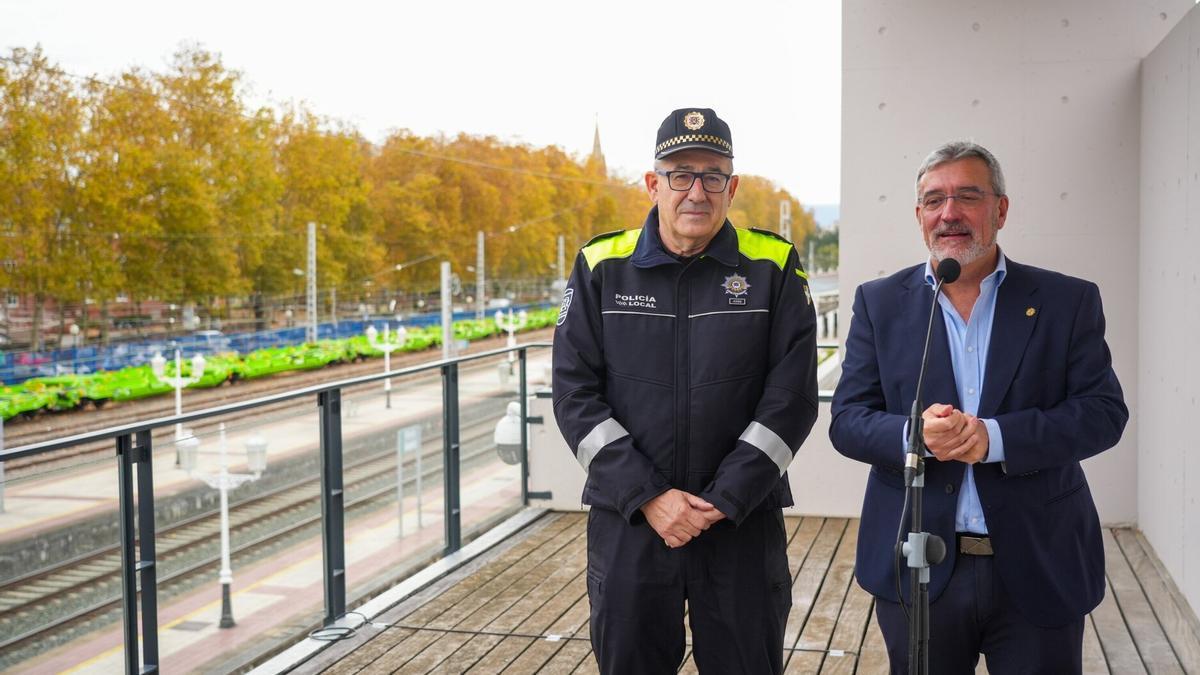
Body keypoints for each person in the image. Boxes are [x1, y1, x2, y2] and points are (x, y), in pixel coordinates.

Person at [829, 141, 1128, 673]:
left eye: (967, 196)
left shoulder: (1067, 300)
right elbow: (849, 420)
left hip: (1040, 564)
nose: (950, 213)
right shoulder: (879, 303)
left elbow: (1103, 413)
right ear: (919, 215)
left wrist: (995, 437)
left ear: (1001, 210)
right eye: (934, 199)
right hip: (917, 566)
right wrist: (913, 436)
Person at [552, 108, 819, 674]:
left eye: (712, 175)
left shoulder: (773, 264)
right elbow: (575, 396)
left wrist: (723, 499)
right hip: (632, 524)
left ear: (732, 186)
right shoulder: (602, 266)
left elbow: (792, 395)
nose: (696, 191)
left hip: (739, 524)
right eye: (680, 174)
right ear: (653, 184)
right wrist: (649, 496)